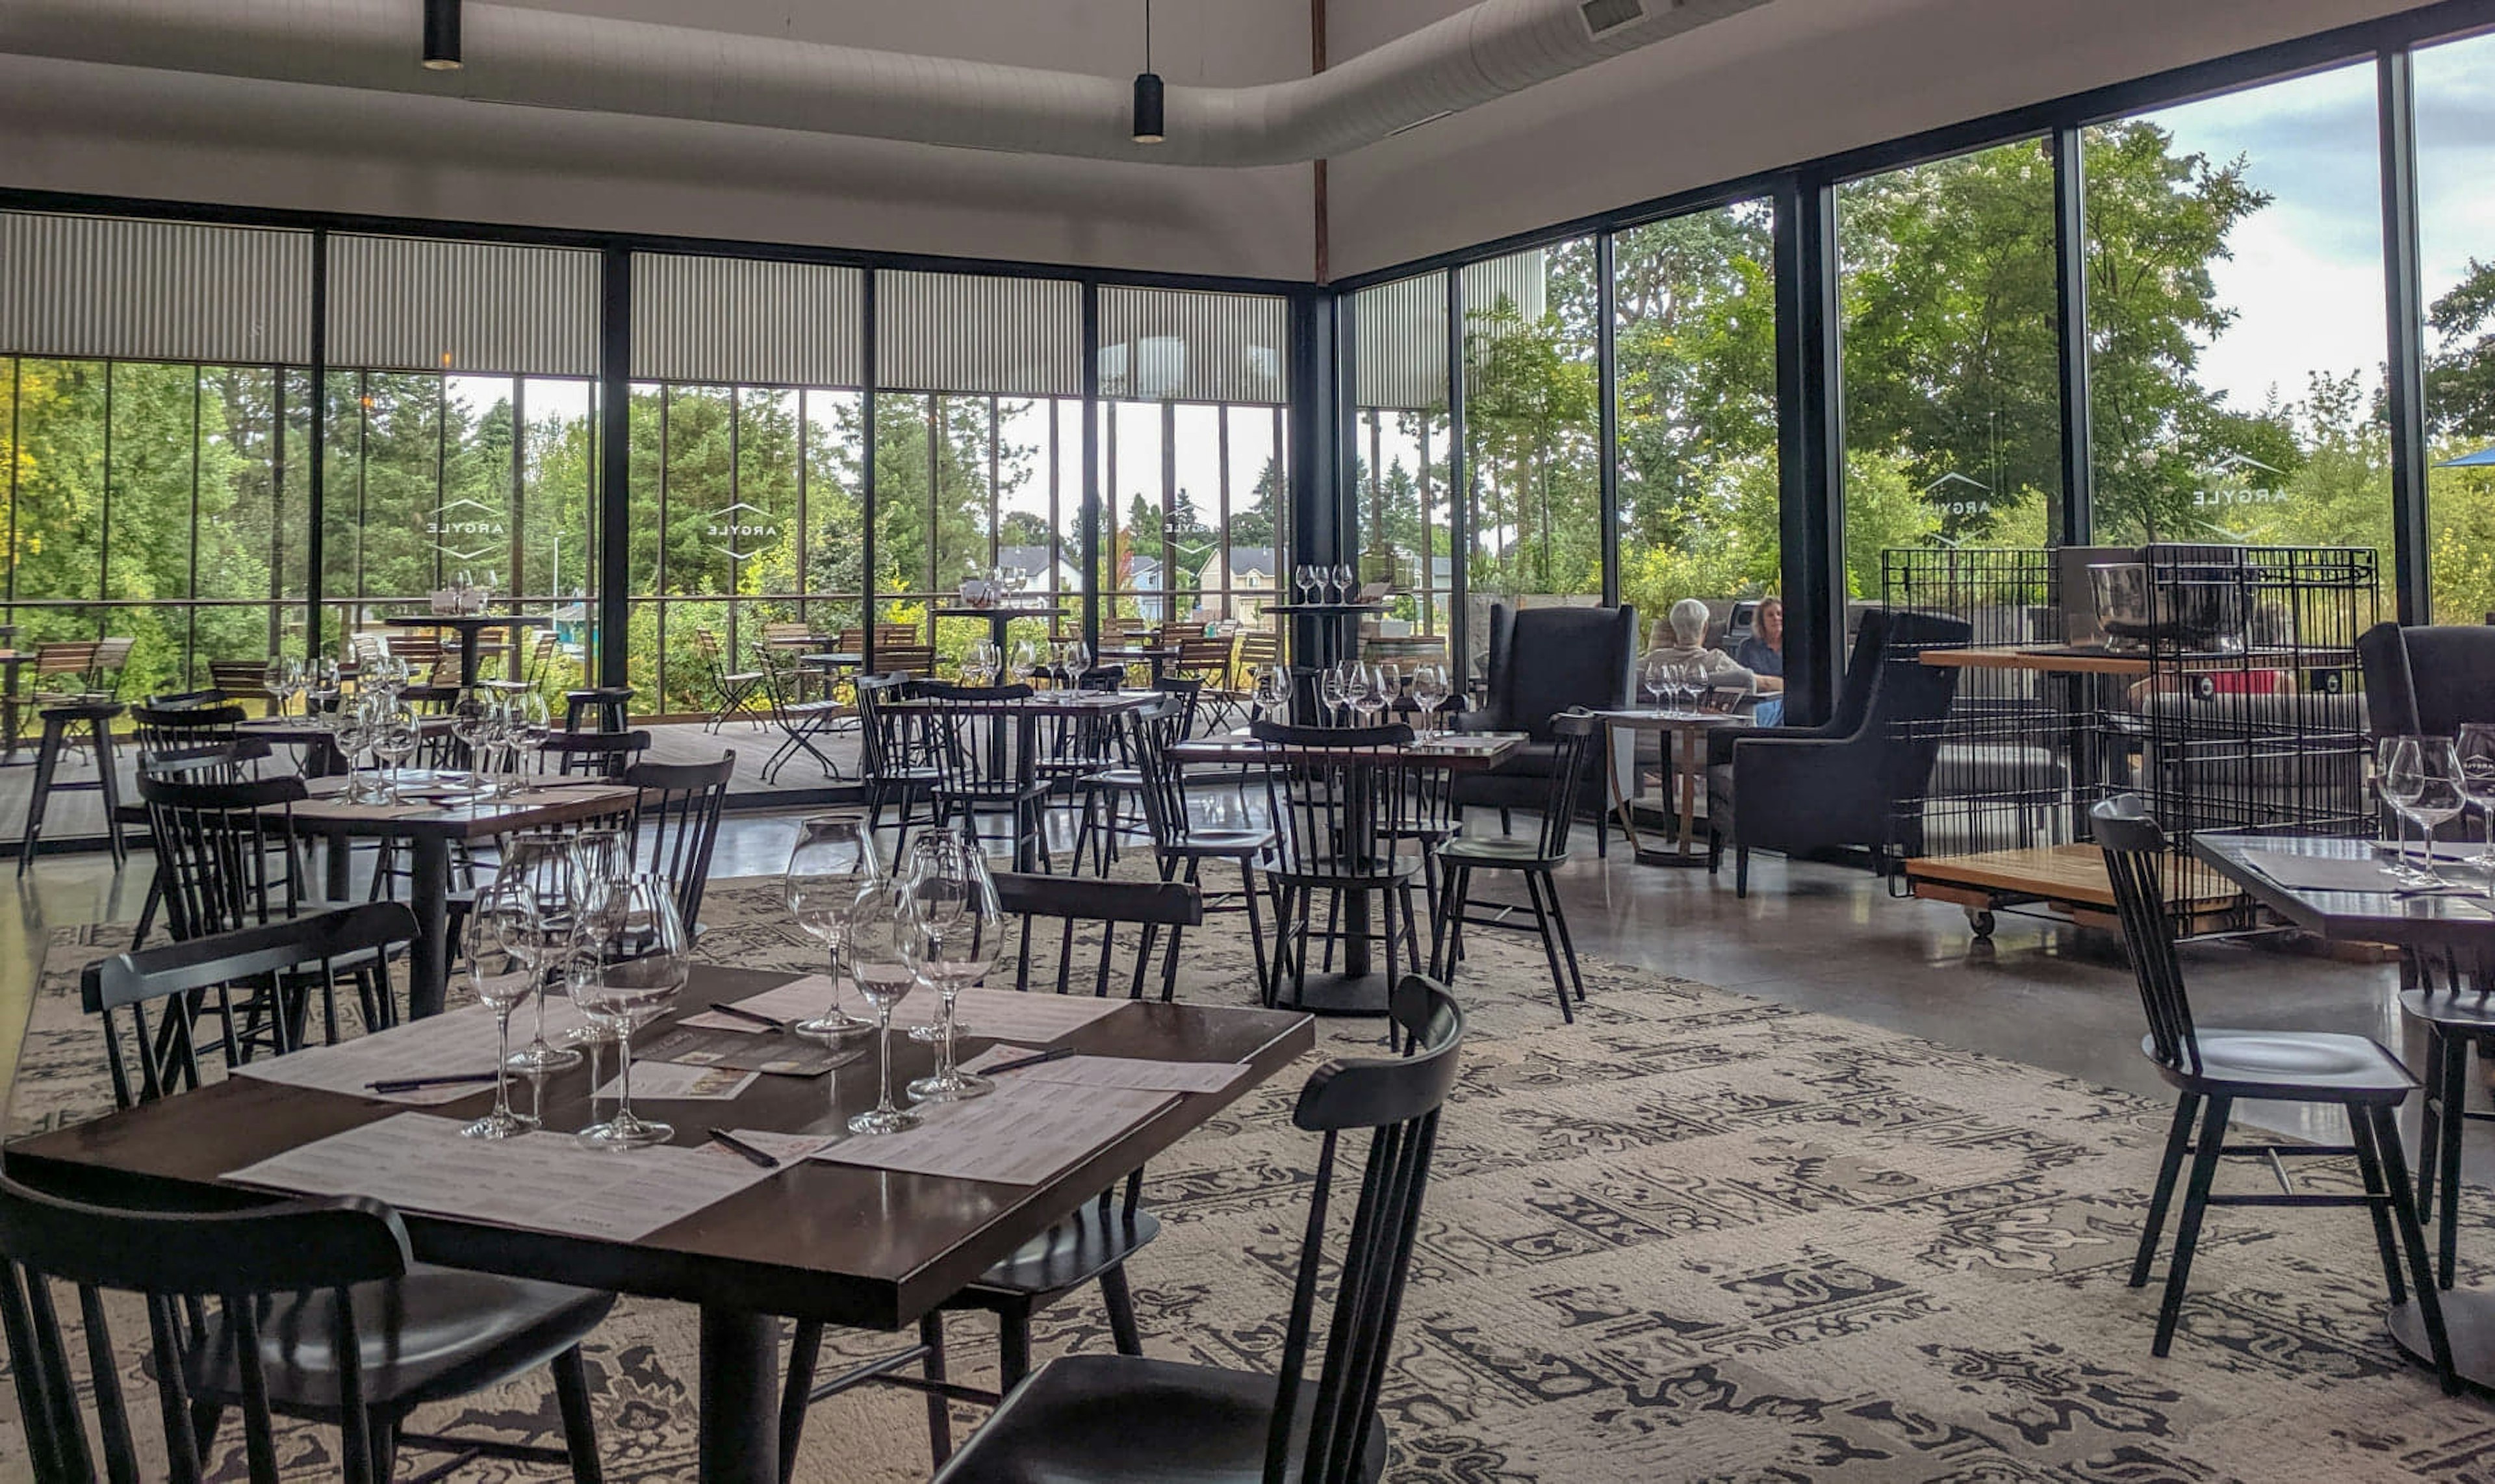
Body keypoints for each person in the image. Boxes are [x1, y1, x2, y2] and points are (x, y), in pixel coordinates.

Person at [1649, 598, 1763, 700]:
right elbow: (1756, 682)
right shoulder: (1717, 661)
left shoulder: (1652, 661)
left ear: (1673, 628)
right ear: (1705, 627)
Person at [1734, 596, 1786, 726]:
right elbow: (1744, 679)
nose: (1776, 618)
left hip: (1787, 701)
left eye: (1780, 614)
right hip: (1759, 701)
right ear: (1762, 621)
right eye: (1770, 615)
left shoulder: (1796, 645)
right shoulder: (1748, 646)